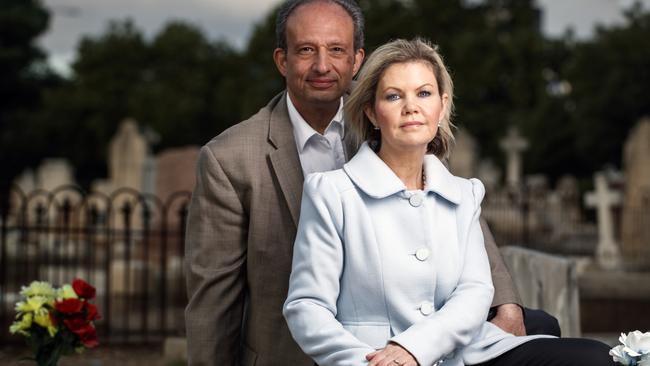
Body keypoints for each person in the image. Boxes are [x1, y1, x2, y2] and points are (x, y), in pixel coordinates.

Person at [184, 0, 555, 365]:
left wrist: (505, 303)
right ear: (282, 60)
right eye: (306, 50)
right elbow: (214, 293)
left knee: (543, 328)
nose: (322, 66)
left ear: (357, 59)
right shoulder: (228, 158)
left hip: (406, 337)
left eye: (337, 50)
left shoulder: (391, 115)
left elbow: (454, 210)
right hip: (293, 350)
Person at [283, 38, 615, 366]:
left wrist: (415, 349)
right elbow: (307, 307)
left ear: (441, 106)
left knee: (597, 357)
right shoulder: (331, 192)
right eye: (394, 95)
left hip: (462, 352)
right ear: (372, 111)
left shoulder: (463, 193)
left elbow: (475, 291)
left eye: (423, 94)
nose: (411, 107)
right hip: (374, 357)